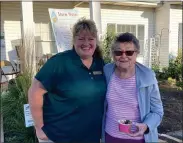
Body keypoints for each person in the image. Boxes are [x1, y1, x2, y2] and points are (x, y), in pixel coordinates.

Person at [28, 18, 106, 143]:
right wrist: (39, 128)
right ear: (74, 40)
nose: (86, 43)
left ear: (96, 41)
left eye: (91, 39)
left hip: (91, 136)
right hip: (59, 136)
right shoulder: (58, 62)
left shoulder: (100, 64)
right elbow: (35, 92)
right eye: (81, 38)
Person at [102, 33, 164, 143]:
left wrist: (146, 125)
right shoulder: (107, 71)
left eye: (129, 52)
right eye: (118, 52)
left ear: (137, 53)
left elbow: (157, 111)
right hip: (110, 136)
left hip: (138, 138)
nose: (123, 56)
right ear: (113, 54)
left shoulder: (147, 76)